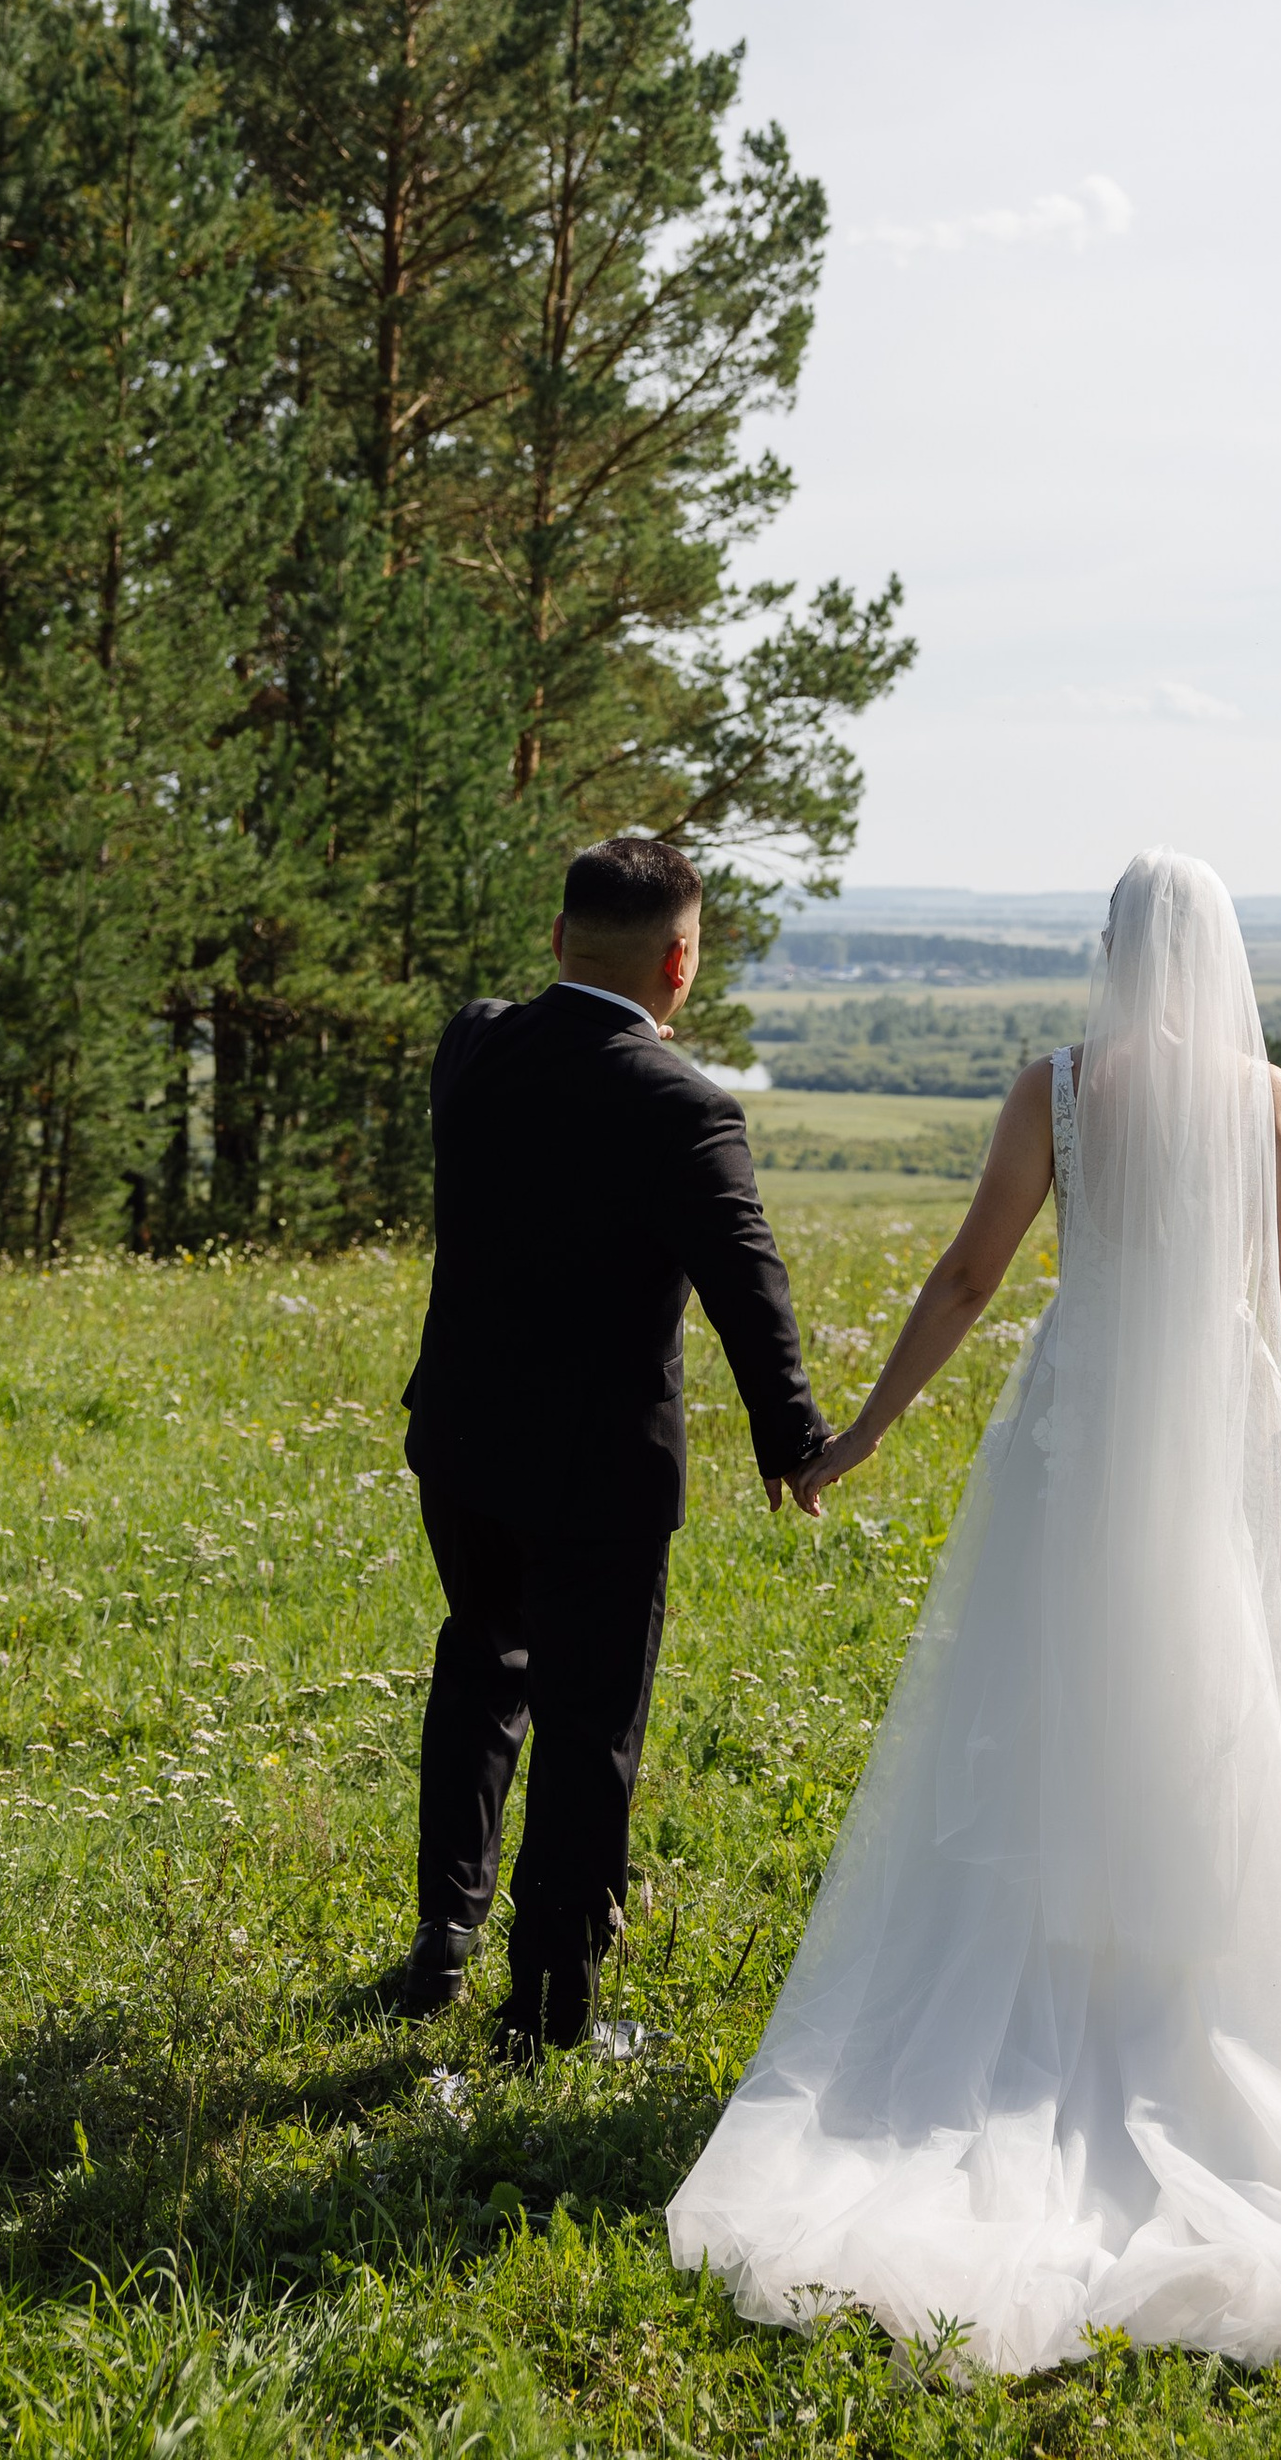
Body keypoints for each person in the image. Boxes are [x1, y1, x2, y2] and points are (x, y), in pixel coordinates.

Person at [667, 848, 1281, 2371]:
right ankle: (1201, 1995)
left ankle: (1063, 1967)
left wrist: (863, 1434)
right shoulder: (1273, 1102)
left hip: (1087, 1423)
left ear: (1114, 951)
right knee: (1223, 1712)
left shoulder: (1059, 1088)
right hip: (1224, 1435)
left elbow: (972, 1276)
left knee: (1061, 1699)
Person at [389, 833, 829, 2059]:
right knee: (590, 1731)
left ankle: (444, 1941)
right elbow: (749, 1286)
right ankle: (550, 2008)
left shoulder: (475, 1043)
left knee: (480, 1668)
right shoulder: (680, 1105)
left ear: (557, 937)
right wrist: (793, 1438)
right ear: (682, 964)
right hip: (600, 1470)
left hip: (464, 1436)